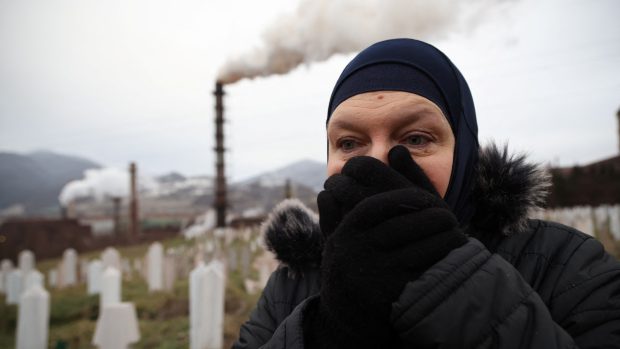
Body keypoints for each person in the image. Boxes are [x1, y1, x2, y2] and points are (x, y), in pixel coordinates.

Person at [232, 38, 620, 348]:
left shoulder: (567, 268)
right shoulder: (293, 283)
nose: (378, 164)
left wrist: (447, 279)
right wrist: (329, 329)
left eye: (416, 138)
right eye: (349, 143)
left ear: (464, 151)